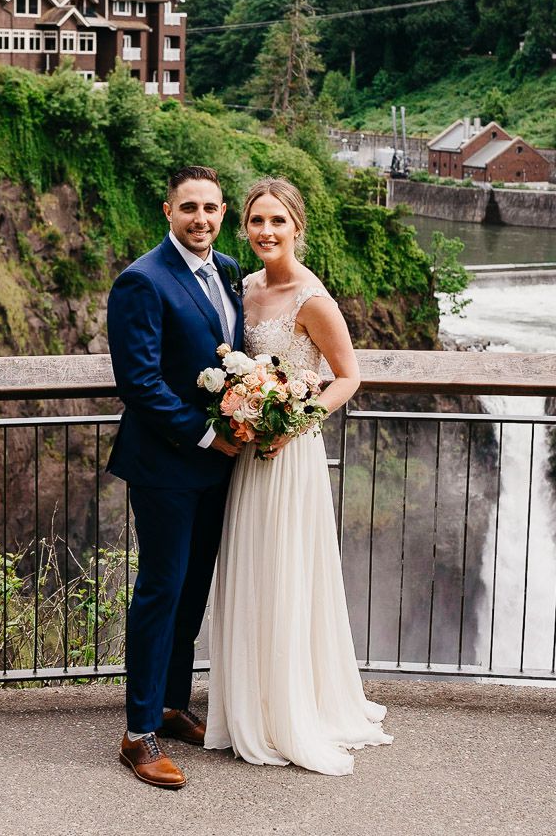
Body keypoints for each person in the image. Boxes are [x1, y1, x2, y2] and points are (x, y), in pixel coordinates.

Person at [204, 177, 393, 775]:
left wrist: (293, 420)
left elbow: (348, 376)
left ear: (296, 227)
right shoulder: (243, 288)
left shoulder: (313, 299)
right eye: (257, 221)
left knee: (287, 568)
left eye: (277, 222)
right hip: (249, 452)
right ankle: (247, 705)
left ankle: (287, 709)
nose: (266, 231)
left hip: (291, 452)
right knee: (251, 566)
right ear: (246, 226)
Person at [105, 165, 244, 790]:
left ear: (222, 212)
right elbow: (139, 383)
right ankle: (138, 735)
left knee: (192, 593)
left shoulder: (230, 272)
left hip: (219, 466)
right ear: (168, 211)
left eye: (211, 208)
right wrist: (209, 433)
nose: (201, 219)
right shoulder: (141, 281)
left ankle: (170, 704)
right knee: (161, 591)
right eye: (189, 208)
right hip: (166, 465)